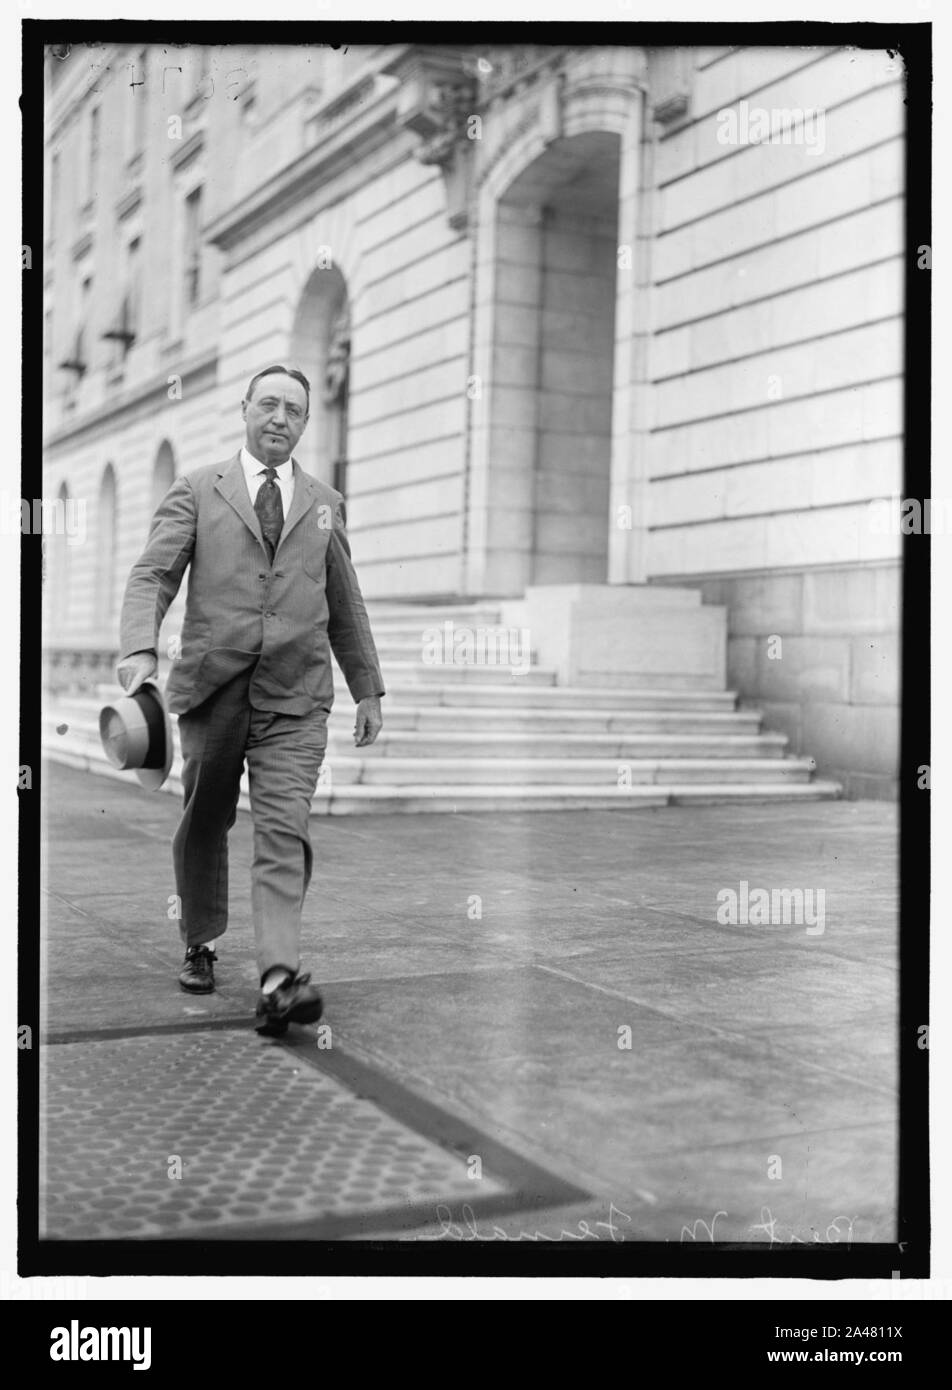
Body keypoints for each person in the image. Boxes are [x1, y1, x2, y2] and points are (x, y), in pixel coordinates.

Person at [116, 365, 384, 1036]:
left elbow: (346, 605)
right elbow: (154, 572)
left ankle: (278, 979)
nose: (280, 418)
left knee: (283, 830)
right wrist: (138, 647)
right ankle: (200, 941)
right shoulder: (198, 489)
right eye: (268, 404)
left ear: (305, 424)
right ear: (244, 409)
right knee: (205, 818)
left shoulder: (325, 502)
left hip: (296, 698)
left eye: (294, 410)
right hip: (213, 691)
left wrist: (367, 688)